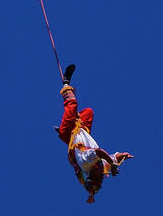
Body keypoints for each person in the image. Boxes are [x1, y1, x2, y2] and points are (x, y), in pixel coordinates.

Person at [55, 65, 133, 203]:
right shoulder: (102, 167)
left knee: (72, 105)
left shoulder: (87, 163)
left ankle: (66, 82)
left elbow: (99, 152)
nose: (101, 175)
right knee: (88, 112)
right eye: (100, 179)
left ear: (89, 176)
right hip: (81, 129)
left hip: (70, 132)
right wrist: (123, 157)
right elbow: (113, 158)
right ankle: (64, 126)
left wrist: (112, 164)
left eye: (96, 178)